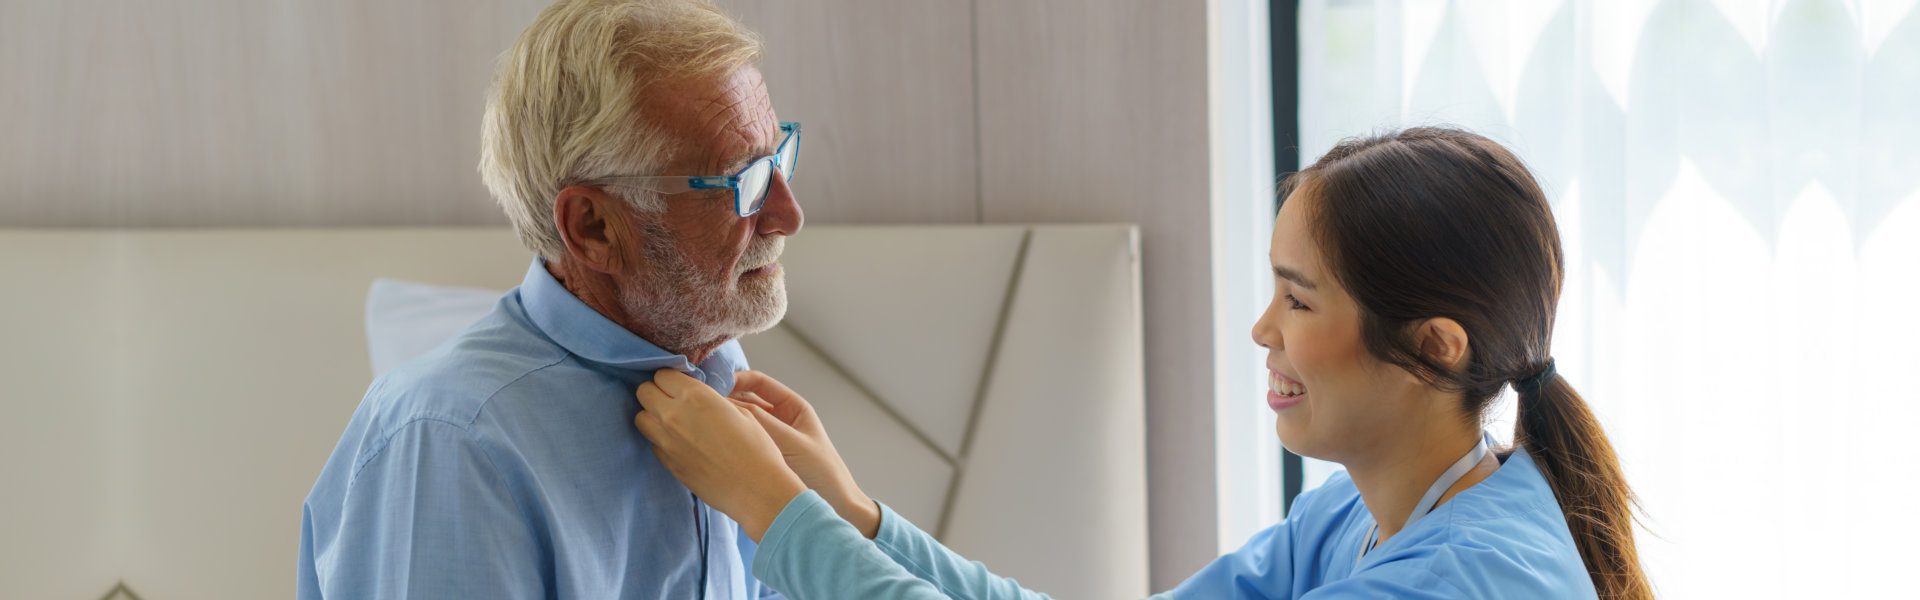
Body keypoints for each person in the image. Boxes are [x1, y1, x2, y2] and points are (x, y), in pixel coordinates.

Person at [633, 128, 1655, 599]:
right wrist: (855, 515)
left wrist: (774, 513)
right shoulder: (1355, 516)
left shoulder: (1459, 584)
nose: (1264, 330)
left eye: (1299, 300)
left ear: (1434, 349)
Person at [297, 0, 802, 597]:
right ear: (593, 227)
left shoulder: (713, 366)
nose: (788, 215)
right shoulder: (452, 443)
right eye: (743, 182)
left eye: (778, 160)